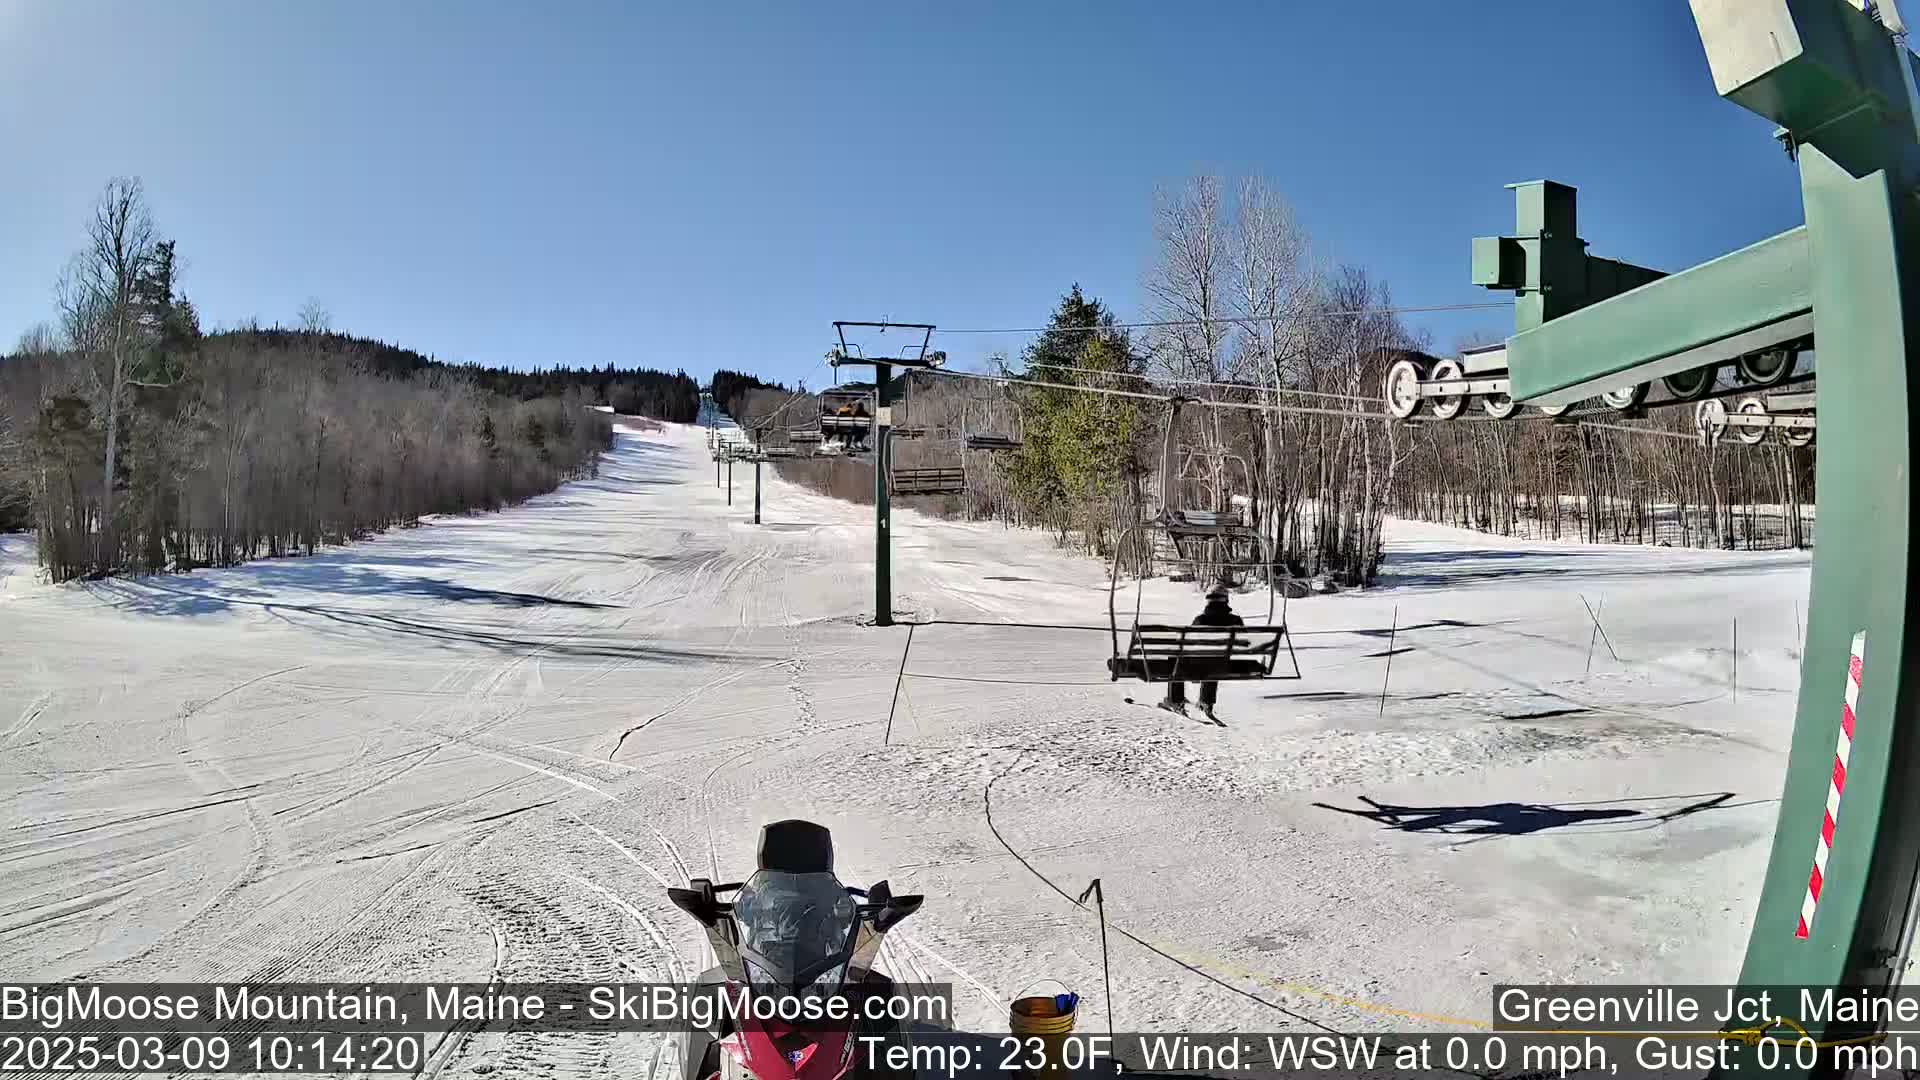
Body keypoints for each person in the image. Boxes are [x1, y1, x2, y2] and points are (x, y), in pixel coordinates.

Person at [1161, 584, 1243, 720]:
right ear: (1226, 600)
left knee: (1177, 657)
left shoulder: (1201, 620)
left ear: (1209, 601)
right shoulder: (1235, 621)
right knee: (1214, 660)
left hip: (1198, 666)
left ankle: (1175, 700)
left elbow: (1189, 643)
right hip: (1223, 665)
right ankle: (1207, 701)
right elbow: (1243, 642)